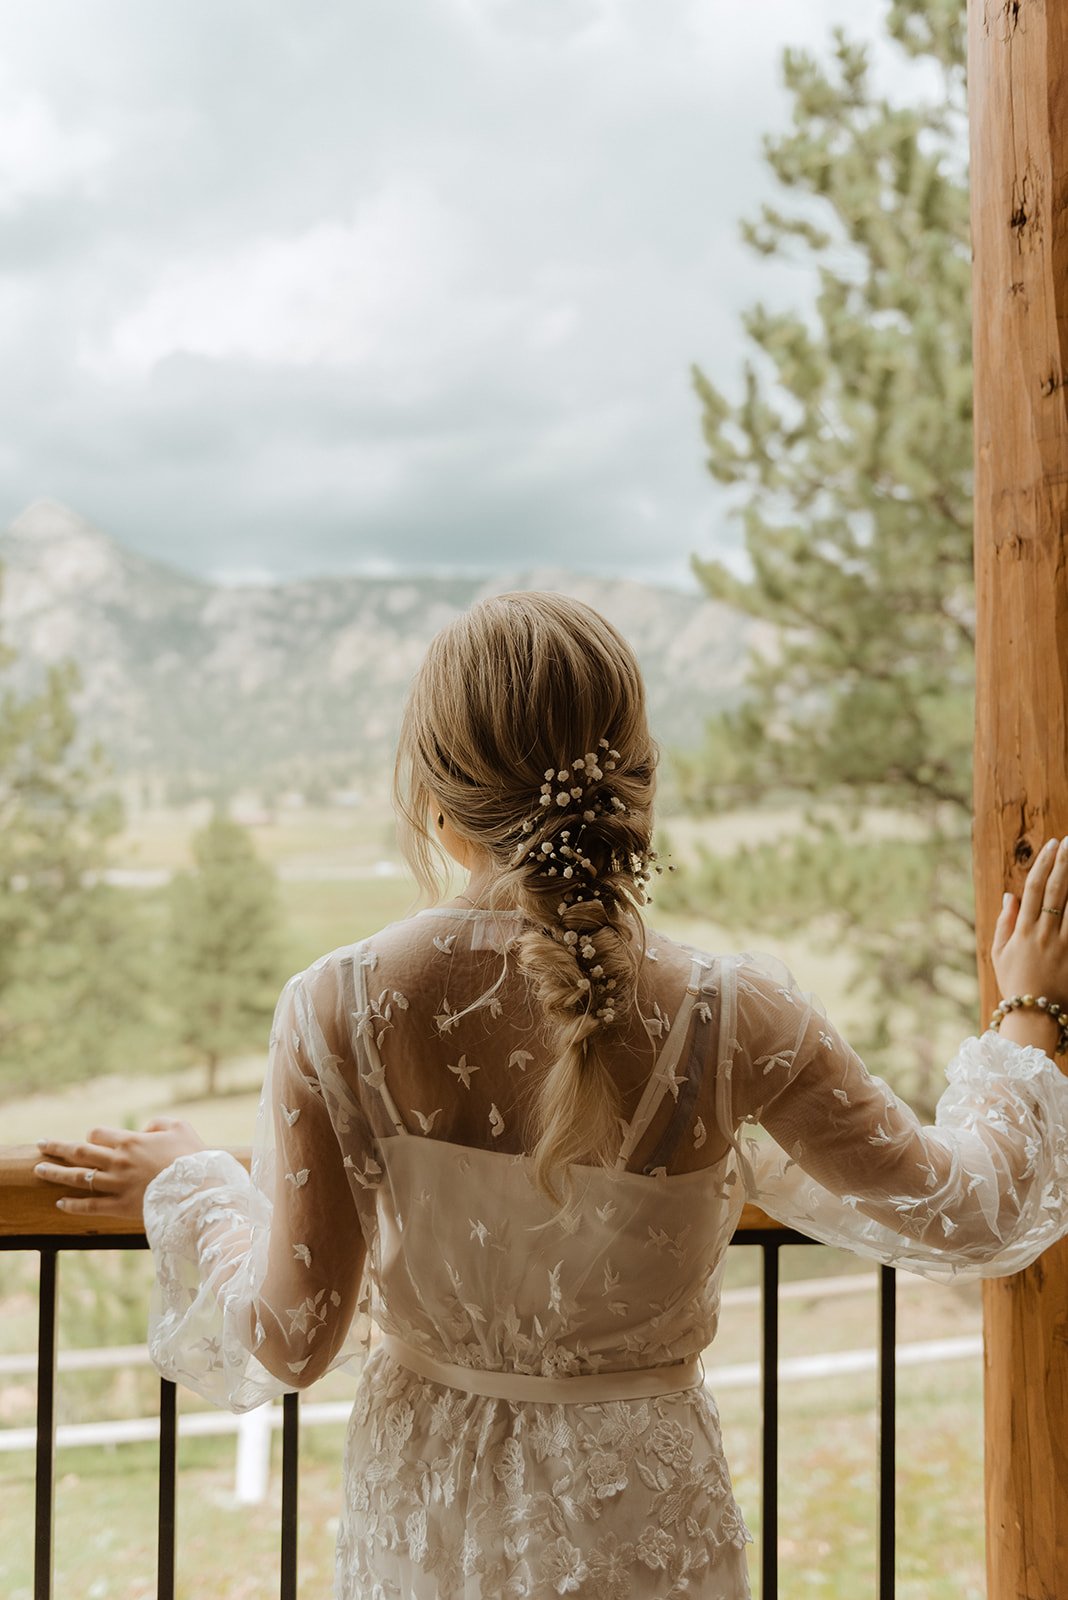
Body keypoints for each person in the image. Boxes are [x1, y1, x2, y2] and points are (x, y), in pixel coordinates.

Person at [34, 591, 1068, 1599]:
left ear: (437, 809)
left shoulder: (337, 1006)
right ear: (638, 786)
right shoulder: (733, 1013)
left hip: (428, 1526)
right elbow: (975, 1207)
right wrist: (1029, 1005)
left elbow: (293, 1336)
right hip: (646, 1537)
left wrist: (195, 1187)